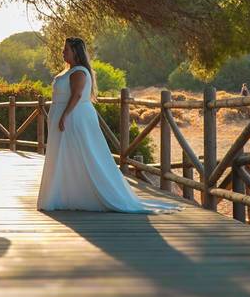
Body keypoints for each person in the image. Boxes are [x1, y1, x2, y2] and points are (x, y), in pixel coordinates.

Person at [37, 37, 180, 214]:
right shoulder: (70, 71)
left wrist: (64, 116)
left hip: (74, 117)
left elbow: (76, 95)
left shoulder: (79, 72)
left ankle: (92, 193)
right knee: (66, 155)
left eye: (66, 49)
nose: (62, 52)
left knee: (85, 153)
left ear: (75, 51)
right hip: (66, 116)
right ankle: (65, 194)